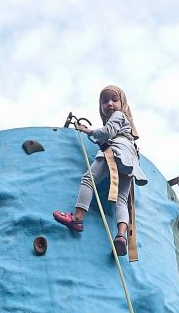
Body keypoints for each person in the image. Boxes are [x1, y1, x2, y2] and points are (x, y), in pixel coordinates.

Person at [53, 85, 146, 258]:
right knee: (122, 199)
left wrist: (89, 130)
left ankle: (77, 218)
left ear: (123, 103)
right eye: (105, 101)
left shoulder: (119, 116)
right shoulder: (127, 127)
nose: (109, 103)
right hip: (130, 161)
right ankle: (121, 235)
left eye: (114, 99)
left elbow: (108, 132)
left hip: (116, 151)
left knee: (89, 179)